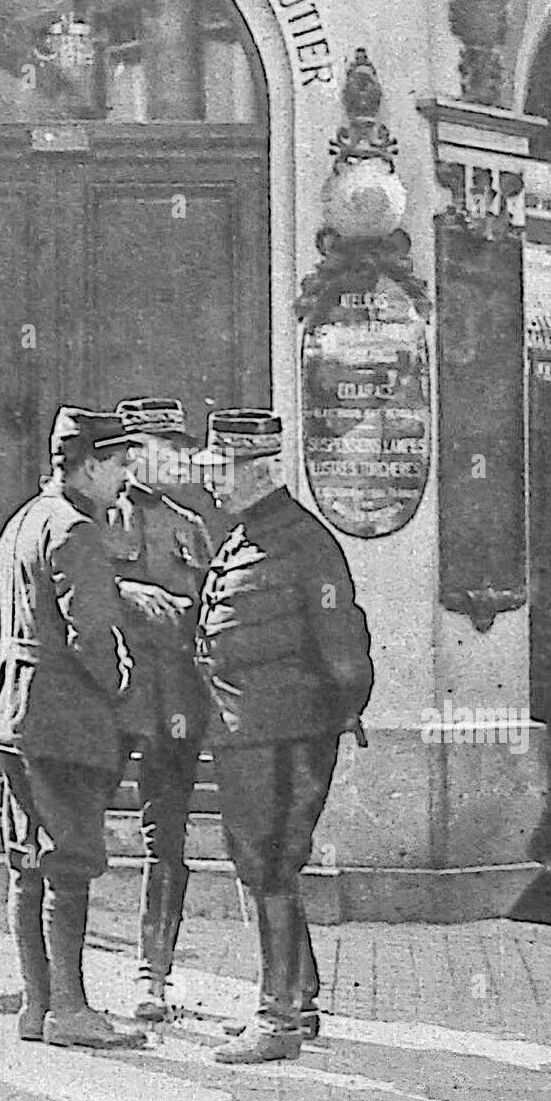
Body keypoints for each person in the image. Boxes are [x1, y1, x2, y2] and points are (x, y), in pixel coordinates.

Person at [192, 410, 374, 1063]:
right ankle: (299, 996)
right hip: (247, 734)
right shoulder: (245, 536)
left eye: (223, 472)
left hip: (285, 737)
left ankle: (275, 1022)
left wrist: (329, 717)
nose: (211, 484)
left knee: (268, 867)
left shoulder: (303, 543)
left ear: (260, 472)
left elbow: (344, 648)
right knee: (265, 866)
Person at [0, 407, 145, 1050]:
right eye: (120, 464)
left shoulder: (24, 521)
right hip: (64, 719)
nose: (126, 478)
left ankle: (37, 1006)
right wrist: (120, 690)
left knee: (28, 862)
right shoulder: (77, 531)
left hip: (17, 714)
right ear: (91, 464)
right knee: (70, 861)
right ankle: (70, 1012)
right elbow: (92, 637)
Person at [105, 397, 214, 1021]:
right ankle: (52, 975)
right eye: (156, 447)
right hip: (111, 695)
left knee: (166, 839)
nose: (171, 459)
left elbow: (206, 610)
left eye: (177, 447)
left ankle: (153, 975)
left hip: (174, 701)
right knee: (66, 830)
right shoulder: (90, 519)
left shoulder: (190, 527)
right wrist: (138, 596)